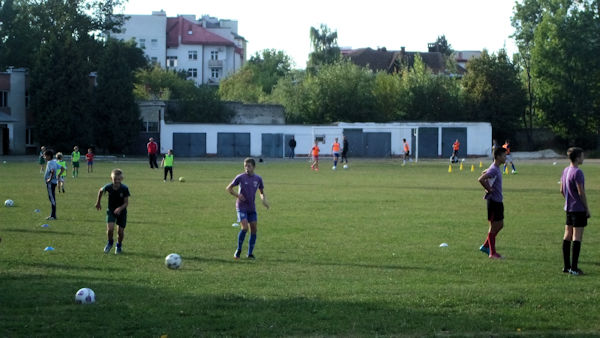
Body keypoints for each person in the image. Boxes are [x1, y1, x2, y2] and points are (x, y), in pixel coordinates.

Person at [226, 158, 269, 260]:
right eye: (245, 166)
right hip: (241, 206)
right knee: (245, 228)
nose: (246, 168)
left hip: (251, 207)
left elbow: (261, 192)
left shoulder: (258, 179)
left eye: (249, 166)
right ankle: (238, 250)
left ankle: (250, 253)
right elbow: (229, 188)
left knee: (254, 229)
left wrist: (263, 200)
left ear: (254, 167)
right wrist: (238, 195)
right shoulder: (240, 177)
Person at [560, 147, 590, 275]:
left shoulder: (566, 170)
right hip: (578, 209)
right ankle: (574, 268)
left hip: (568, 208)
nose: (583, 158)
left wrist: (568, 199)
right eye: (582, 156)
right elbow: (580, 191)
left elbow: (562, 190)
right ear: (577, 157)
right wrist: (586, 208)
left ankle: (566, 266)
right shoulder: (578, 172)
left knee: (567, 235)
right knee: (577, 237)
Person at [477, 147, 507, 259]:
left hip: (497, 201)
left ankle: (485, 246)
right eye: (504, 156)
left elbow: (485, 172)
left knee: (500, 225)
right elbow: (481, 178)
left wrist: (489, 185)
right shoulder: (494, 169)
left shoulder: (494, 168)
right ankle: (492, 253)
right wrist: (489, 189)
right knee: (494, 226)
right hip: (494, 201)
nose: (505, 158)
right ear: (498, 157)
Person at [96, 168, 130, 255]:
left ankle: (118, 245)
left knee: (120, 232)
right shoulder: (108, 187)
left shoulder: (124, 188)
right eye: (115, 179)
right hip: (111, 211)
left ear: (122, 179)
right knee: (110, 229)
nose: (117, 181)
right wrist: (98, 202)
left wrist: (120, 208)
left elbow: (126, 203)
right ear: (111, 179)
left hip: (122, 212)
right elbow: (100, 191)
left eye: (119, 179)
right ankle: (110, 242)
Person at [43, 149, 65, 220]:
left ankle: (53, 216)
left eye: (45, 156)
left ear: (49, 156)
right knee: (52, 198)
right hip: (54, 183)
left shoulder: (50, 163)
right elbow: (62, 168)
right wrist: (58, 175)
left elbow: (52, 171)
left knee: (52, 199)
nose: (44, 157)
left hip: (50, 183)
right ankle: (53, 215)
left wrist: (49, 179)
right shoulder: (54, 161)